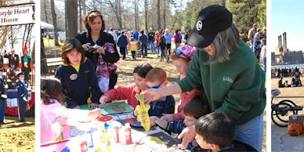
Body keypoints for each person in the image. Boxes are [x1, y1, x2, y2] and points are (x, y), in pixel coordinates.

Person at [143, 5, 265, 152]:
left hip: (244, 119)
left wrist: (200, 129)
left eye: (207, 42)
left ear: (223, 38)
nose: (203, 48)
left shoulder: (245, 60)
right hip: (216, 115)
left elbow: (234, 106)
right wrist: (161, 92)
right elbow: (191, 80)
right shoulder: (203, 51)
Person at [40, 78, 101, 144]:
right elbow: (84, 116)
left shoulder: (42, 102)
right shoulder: (54, 106)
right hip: (47, 142)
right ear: (58, 93)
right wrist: (95, 112)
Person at [75, 10, 120, 92]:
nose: (96, 26)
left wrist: (104, 52)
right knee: (89, 104)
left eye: (99, 23)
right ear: (88, 24)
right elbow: (71, 56)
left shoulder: (108, 37)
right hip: (86, 79)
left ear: (102, 23)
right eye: (93, 23)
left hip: (106, 80)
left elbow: (116, 58)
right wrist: (81, 49)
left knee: (103, 103)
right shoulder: (81, 38)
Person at [158, 44, 200, 123]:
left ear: (191, 63)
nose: (177, 70)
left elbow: (192, 109)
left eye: (179, 66)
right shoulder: (182, 75)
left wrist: (174, 117)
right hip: (181, 115)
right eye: (176, 66)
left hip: (189, 120)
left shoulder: (194, 83)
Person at [55, 39, 101, 108]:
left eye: (78, 54)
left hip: (89, 105)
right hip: (71, 108)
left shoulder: (88, 64)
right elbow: (59, 92)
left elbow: (94, 84)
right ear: (66, 55)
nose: (75, 57)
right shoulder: (61, 70)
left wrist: (94, 101)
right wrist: (71, 104)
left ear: (82, 53)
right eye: (71, 54)